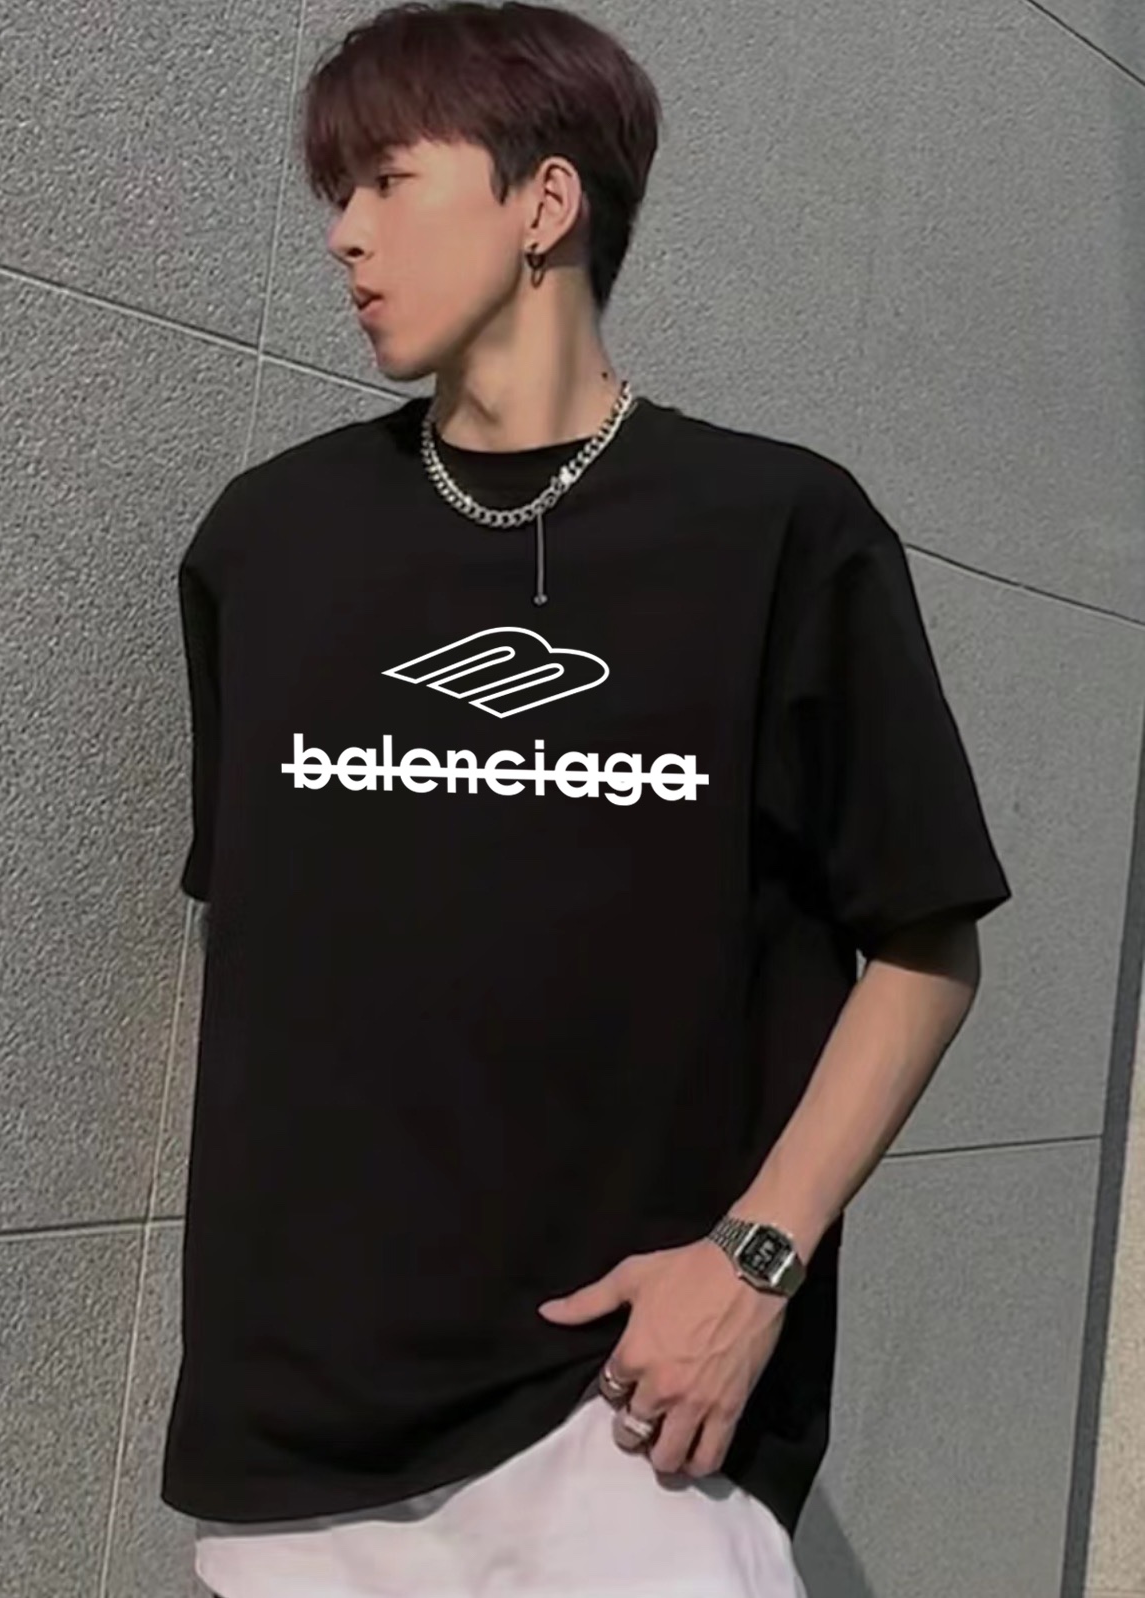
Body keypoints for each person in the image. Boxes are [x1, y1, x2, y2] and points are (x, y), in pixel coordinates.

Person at [160, 4, 1013, 1594]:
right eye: (335, 193)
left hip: (627, 1415)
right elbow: (287, 960)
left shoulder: (776, 533)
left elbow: (925, 943)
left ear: (543, 202)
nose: (344, 234)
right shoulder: (266, 545)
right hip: (299, 1440)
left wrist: (753, 1263)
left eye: (387, 182)